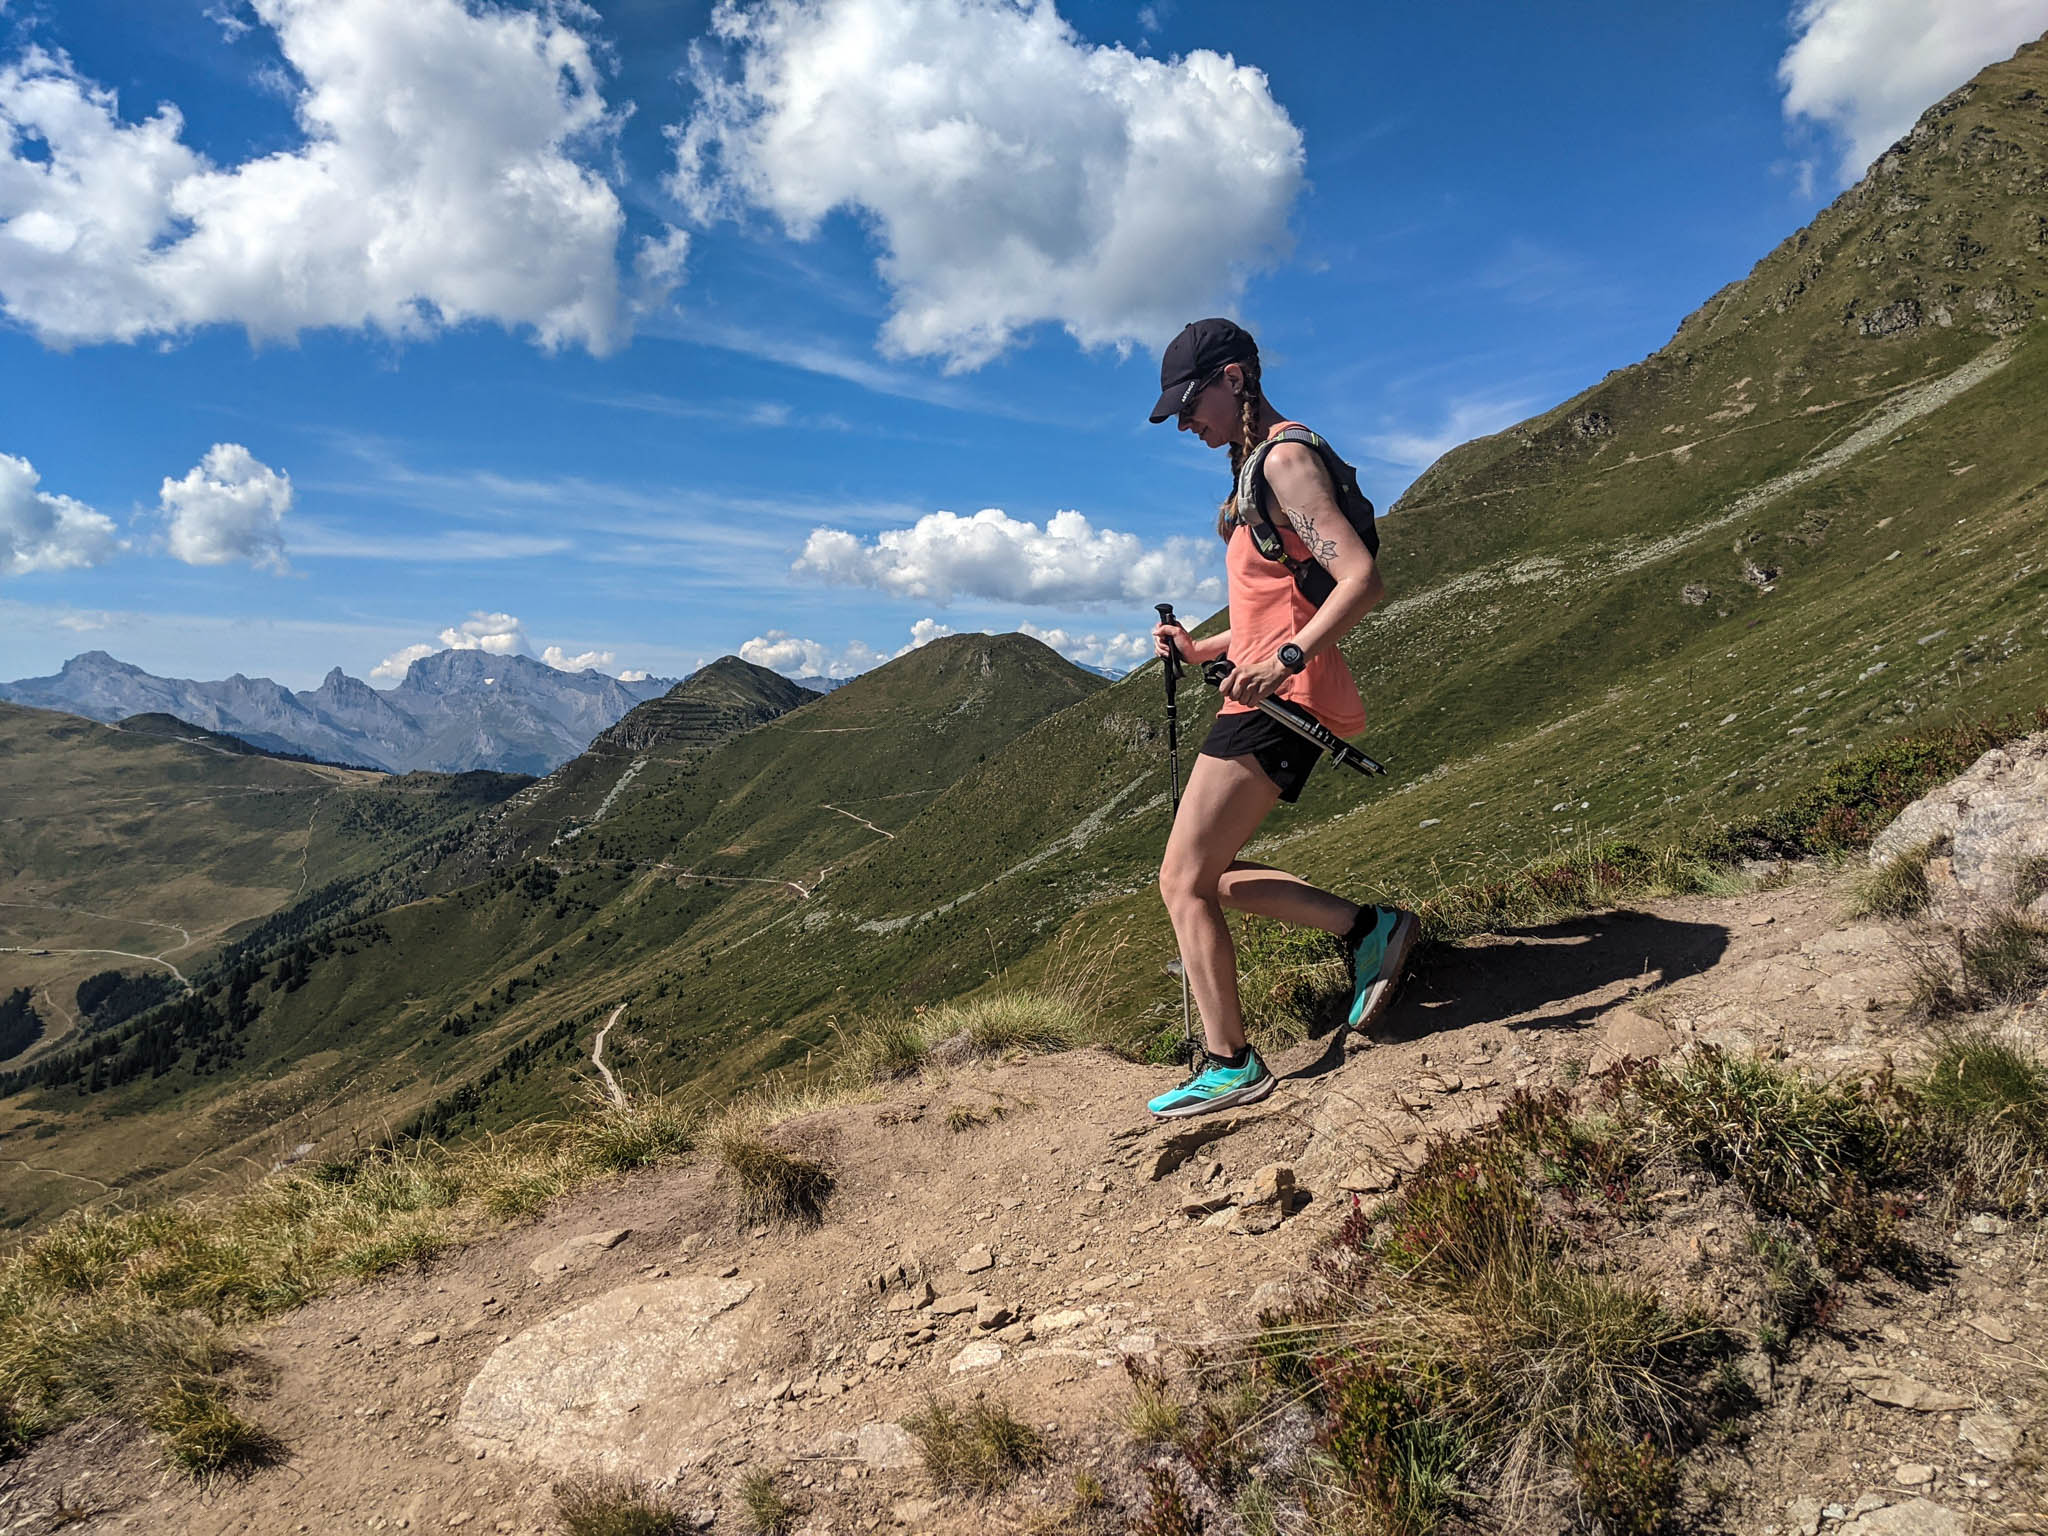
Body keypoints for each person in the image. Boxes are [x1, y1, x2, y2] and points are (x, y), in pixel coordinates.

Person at [1143, 317, 1418, 1118]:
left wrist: (1288, 661)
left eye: (1190, 404)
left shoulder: (1287, 461)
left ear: (1233, 379)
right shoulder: (1250, 472)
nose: (1186, 423)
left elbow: (1360, 579)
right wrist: (1203, 652)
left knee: (1180, 879)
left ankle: (1230, 1061)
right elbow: (1278, 605)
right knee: (1210, 876)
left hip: (1279, 703)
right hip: (1264, 693)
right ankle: (1370, 930)